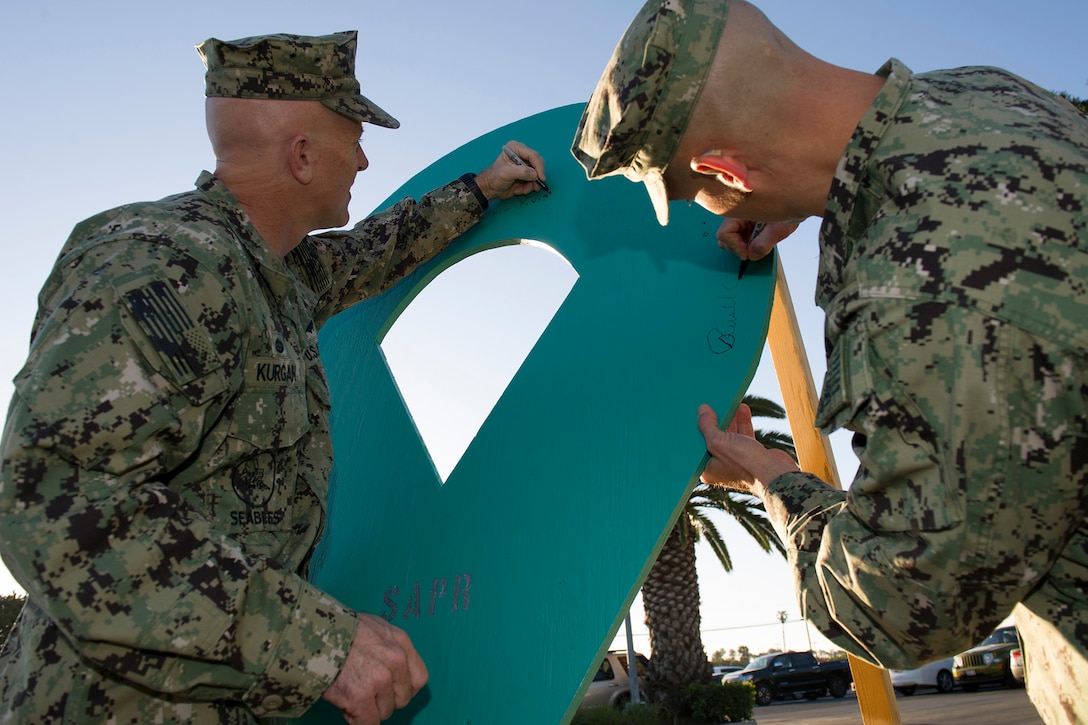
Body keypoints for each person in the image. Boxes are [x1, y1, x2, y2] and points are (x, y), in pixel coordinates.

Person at [0, 30, 546, 724]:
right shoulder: (166, 263)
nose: (366, 159)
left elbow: (373, 251)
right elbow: (53, 500)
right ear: (304, 155)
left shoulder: (273, 274)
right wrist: (319, 645)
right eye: (354, 138)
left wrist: (479, 191)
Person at [571, 1, 1088, 722]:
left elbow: (902, 607)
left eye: (703, 192)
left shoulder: (919, 291)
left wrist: (766, 472)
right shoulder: (985, 94)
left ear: (725, 167)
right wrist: (805, 195)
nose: (715, 214)